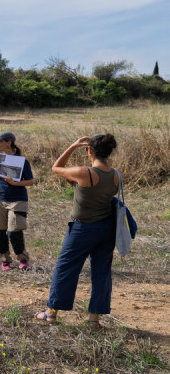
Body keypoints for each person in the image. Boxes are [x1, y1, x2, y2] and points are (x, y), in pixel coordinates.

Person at [36, 133, 119, 330]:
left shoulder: (85, 173)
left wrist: (73, 146)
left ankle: (51, 313)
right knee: (102, 272)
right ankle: (94, 319)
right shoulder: (116, 175)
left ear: (89, 150)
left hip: (83, 228)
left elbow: (56, 167)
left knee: (66, 268)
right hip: (107, 228)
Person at [0, 131, 34, 270]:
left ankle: (23, 259)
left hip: (17, 200)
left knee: (13, 231)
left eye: (0, 141)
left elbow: (31, 181)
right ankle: (5, 260)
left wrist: (15, 183)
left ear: (9, 142)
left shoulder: (21, 161)